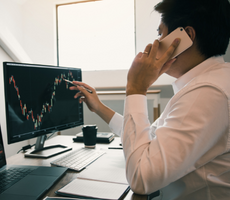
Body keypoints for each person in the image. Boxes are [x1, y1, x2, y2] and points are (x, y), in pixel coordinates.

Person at [70, 0, 230, 199]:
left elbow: (141, 178)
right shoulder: (208, 82)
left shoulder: (208, 92)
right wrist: (99, 108)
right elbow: (150, 137)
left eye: (160, 34)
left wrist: (136, 88)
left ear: (186, 37)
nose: (156, 43)